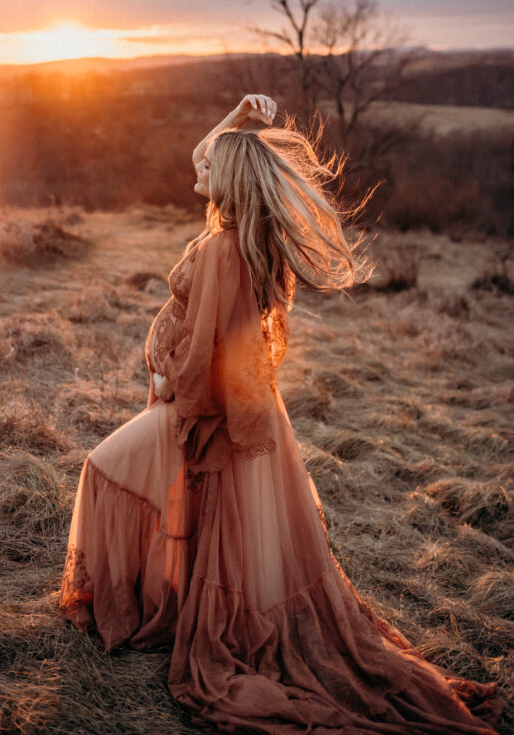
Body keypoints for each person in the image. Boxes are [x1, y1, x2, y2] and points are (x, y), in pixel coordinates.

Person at [58, 95, 503, 735]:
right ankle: (163, 599)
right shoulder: (238, 237)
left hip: (203, 410)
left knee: (101, 466)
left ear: (228, 182)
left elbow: (213, 347)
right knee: (203, 517)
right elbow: (200, 162)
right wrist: (237, 116)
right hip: (236, 408)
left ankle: (120, 606)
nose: (197, 170)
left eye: (212, 166)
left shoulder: (222, 250)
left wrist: (168, 384)